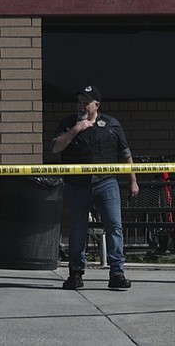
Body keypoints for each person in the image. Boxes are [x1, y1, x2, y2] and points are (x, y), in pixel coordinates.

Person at [52, 85, 139, 290]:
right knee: (77, 229)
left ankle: (117, 273)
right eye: (79, 102)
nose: (81, 106)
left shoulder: (111, 125)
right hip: (76, 184)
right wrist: (76, 129)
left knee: (114, 226)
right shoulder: (68, 123)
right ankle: (76, 274)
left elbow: (125, 154)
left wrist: (132, 180)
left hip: (106, 183)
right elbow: (56, 147)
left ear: (96, 105)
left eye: (86, 103)